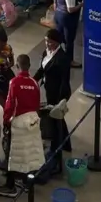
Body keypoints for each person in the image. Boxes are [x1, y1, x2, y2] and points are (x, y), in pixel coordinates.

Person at [0, 53, 43, 197]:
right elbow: (37, 104)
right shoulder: (34, 83)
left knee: (12, 154)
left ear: (16, 66)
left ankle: (10, 187)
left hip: (18, 122)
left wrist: (6, 121)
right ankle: (26, 182)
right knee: (28, 153)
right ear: (29, 66)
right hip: (32, 121)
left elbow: (10, 105)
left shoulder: (14, 82)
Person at [35, 29, 72, 172]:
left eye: (50, 42)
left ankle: (57, 148)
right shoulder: (46, 53)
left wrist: (60, 100)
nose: (47, 44)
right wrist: (32, 80)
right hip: (49, 89)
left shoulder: (62, 58)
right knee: (59, 119)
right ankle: (66, 143)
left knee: (55, 118)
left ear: (57, 42)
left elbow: (64, 80)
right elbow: (42, 69)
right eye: (46, 41)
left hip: (57, 93)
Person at [53, 0, 83, 67]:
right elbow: (71, 10)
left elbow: (55, 3)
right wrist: (82, 4)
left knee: (58, 37)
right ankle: (70, 61)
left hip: (58, 15)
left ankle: (55, 55)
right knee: (69, 41)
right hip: (67, 19)